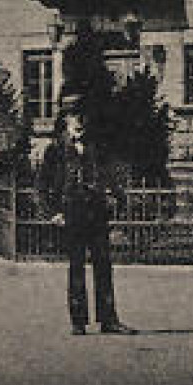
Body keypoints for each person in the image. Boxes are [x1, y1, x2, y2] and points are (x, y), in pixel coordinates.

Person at [39, 94, 136, 336]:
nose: (79, 121)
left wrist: (118, 200)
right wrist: (53, 213)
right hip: (72, 214)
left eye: (82, 116)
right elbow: (41, 186)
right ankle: (78, 321)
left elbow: (112, 178)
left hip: (97, 213)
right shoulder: (56, 149)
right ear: (66, 119)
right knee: (76, 267)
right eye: (73, 116)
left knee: (103, 265)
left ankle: (109, 320)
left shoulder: (98, 147)